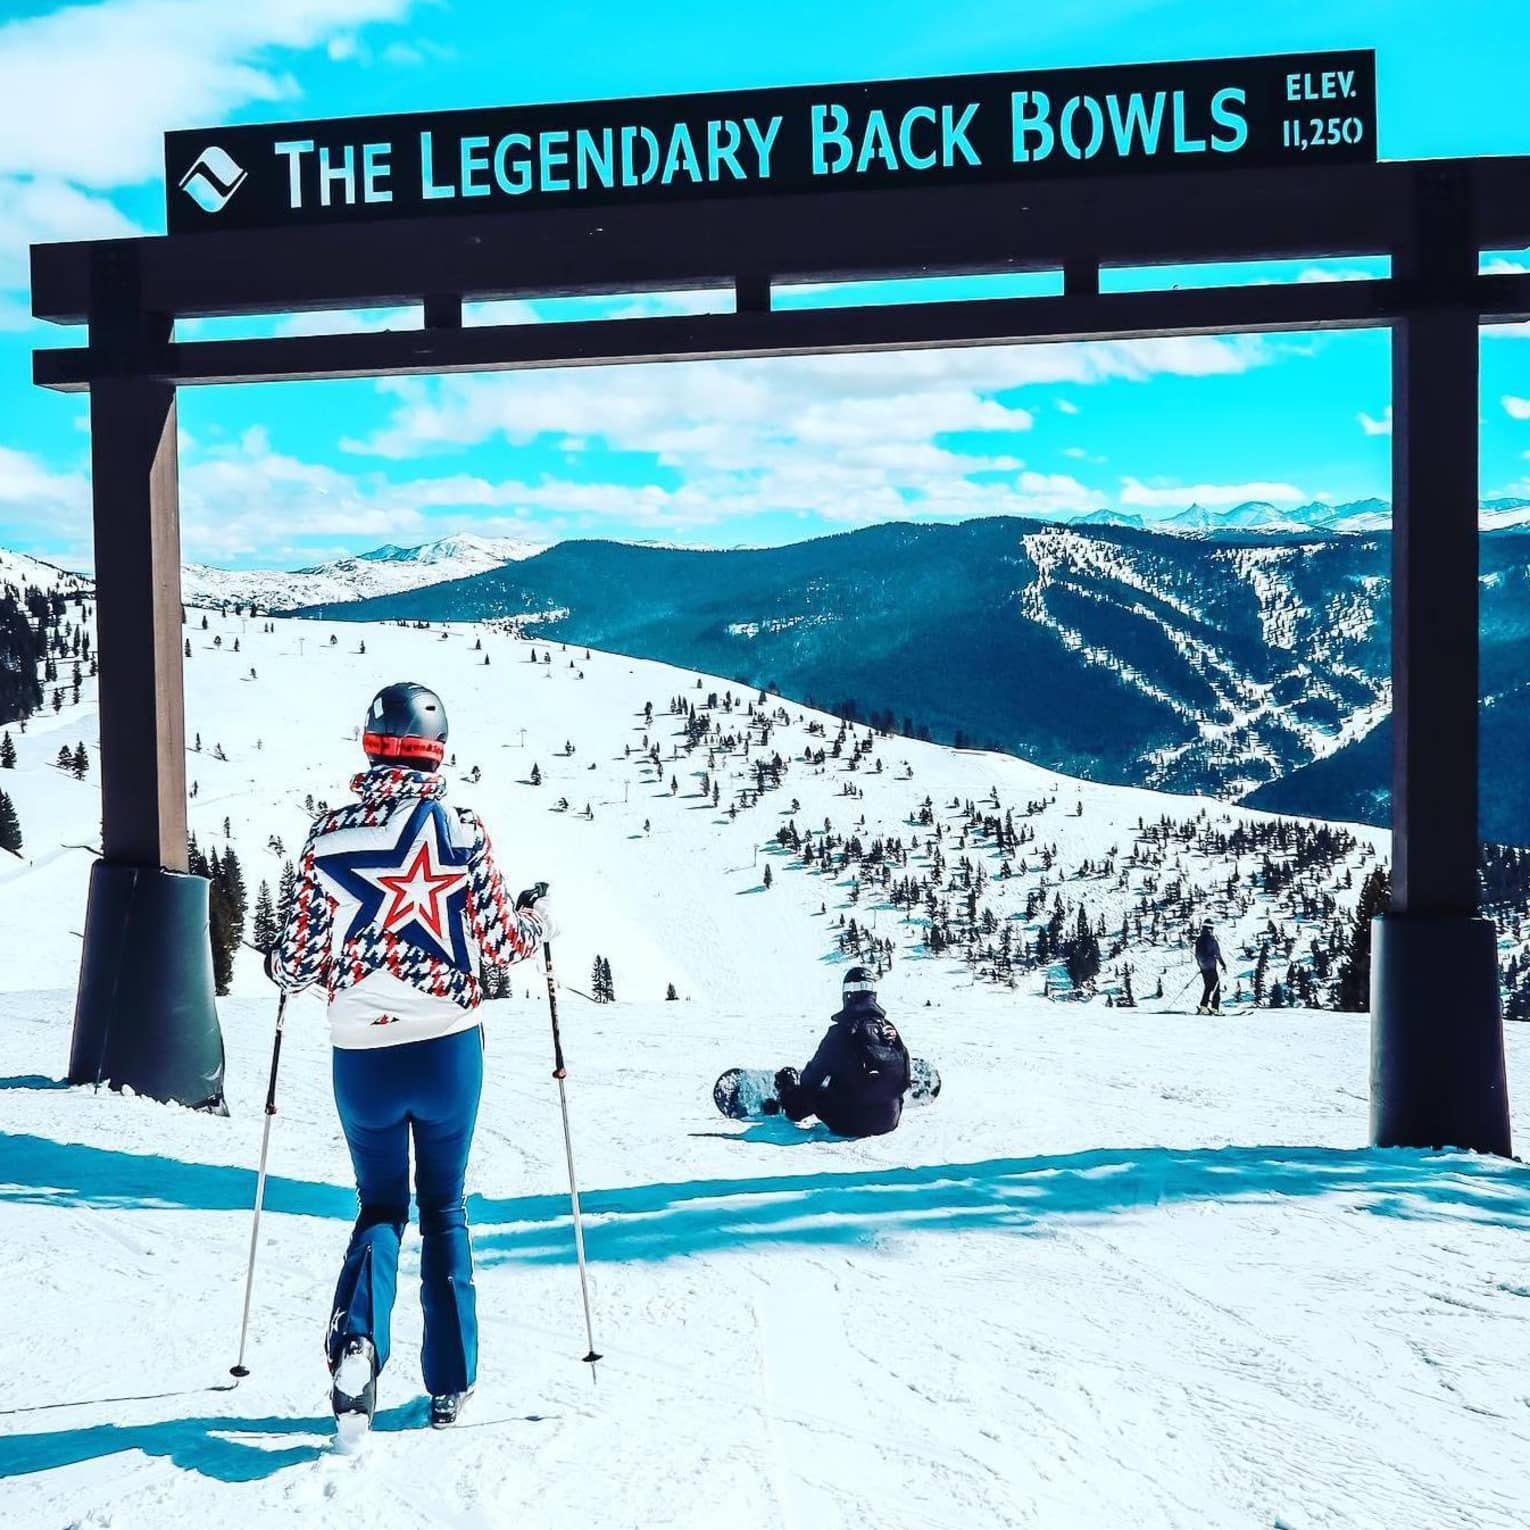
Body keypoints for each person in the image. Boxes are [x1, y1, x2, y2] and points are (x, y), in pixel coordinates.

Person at [266, 681, 553, 1433]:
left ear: (369, 745)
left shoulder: (326, 835)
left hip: (361, 1052)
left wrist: (288, 965)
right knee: (444, 1205)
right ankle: (450, 1385)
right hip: (446, 1046)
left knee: (382, 1205)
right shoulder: (458, 827)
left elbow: (293, 965)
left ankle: (358, 1340)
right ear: (437, 753)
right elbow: (500, 945)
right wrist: (535, 922)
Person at [774, 967, 911, 1137]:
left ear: (847, 995)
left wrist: (798, 1087)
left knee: (813, 1093)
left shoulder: (841, 1032)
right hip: (890, 1120)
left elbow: (811, 1079)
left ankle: (789, 1102)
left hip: (852, 1123)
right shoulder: (887, 1028)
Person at [1194, 921, 1227, 1014]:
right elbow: (1217, 954)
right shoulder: (1211, 940)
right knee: (1216, 987)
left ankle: (1203, 1006)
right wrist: (1223, 964)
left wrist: (1201, 966)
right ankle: (1214, 1007)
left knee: (1208, 987)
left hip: (1203, 967)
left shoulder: (1199, 940)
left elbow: (1197, 954)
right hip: (1211, 967)